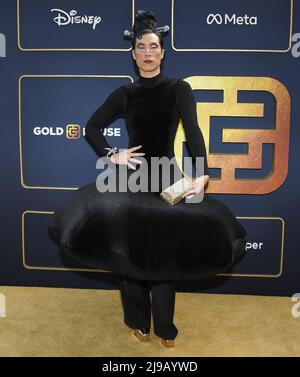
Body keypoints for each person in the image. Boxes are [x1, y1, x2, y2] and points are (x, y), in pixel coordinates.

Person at [48, 10, 247, 348]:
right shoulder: (125, 94)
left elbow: (194, 132)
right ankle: (138, 320)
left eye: (154, 46)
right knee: (129, 252)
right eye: (142, 46)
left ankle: (165, 326)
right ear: (134, 53)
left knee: (165, 255)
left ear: (162, 51)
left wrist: (202, 173)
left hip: (169, 177)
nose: (148, 52)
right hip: (133, 180)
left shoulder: (178, 89)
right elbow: (92, 127)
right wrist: (113, 155)